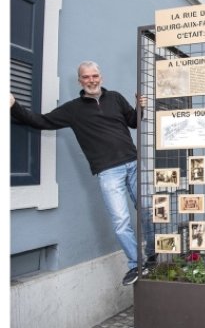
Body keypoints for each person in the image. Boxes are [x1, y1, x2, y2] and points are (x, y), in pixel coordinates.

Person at [10, 61, 154, 286]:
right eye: (86, 77)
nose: (91, 80)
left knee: (148, 210)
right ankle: (137, 264)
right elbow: (41, 121)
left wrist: (140, 107)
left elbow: (133, 122)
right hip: (108, 172)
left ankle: (152, 255)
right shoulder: (73, 110)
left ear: (101, 77)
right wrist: (14, 106)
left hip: (134, 163)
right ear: (80, 81)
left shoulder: (115, 98)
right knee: (120, 221)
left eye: (95, 76)